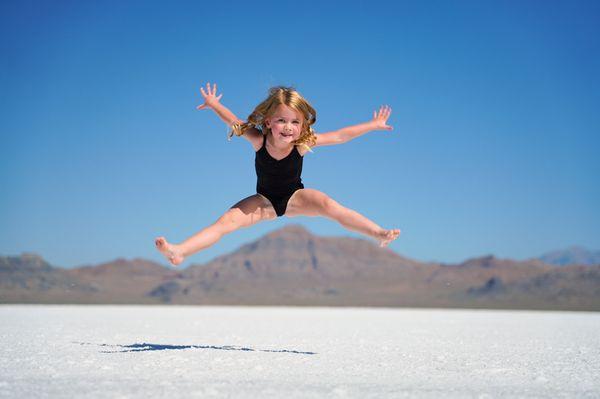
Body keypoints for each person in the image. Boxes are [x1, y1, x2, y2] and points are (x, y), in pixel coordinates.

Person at [155, 83, 400, 266]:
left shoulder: (302, 144)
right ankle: (180, 251)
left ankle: (378, 232)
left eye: (295, 122)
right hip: (263, 201)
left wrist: (372, 125)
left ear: (302, 125)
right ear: (269, 121)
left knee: (329, 205)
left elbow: (340, 135)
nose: (288, 127)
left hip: (296, 197)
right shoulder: (258, 140)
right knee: (225, 223)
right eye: (281, 120)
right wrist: (214, 104)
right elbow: (234, 122)